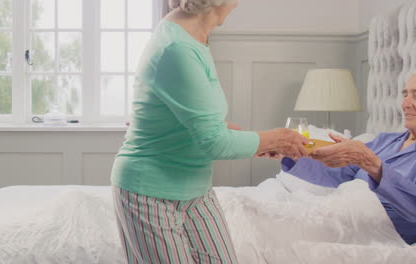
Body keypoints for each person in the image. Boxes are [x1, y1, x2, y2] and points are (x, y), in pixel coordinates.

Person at [110, 0, 309, 263]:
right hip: (150, 190)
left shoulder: (195, 35)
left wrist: (252, 141)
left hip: (196, 189)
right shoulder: (177, 47)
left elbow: (190, 115)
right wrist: (274, 139)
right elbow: (214, 142)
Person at [281, 73, 416, 245]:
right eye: (405, 95)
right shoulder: (386, 140)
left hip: (376, 233)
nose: (405, 104)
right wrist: (293, 153)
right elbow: (342, 172)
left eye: (415, 95)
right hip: (338, 216)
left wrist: (370, 163)